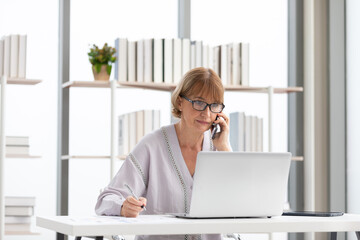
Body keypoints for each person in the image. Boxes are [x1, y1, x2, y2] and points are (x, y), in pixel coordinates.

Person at [95, 67, 231, 240]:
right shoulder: (152, 145)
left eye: (214, 106)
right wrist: (123, 206)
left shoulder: (220, 147)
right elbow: (106, 199)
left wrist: (224, 148)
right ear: (180, 102)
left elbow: (241, 206)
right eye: (199, 102)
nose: (206, 113)